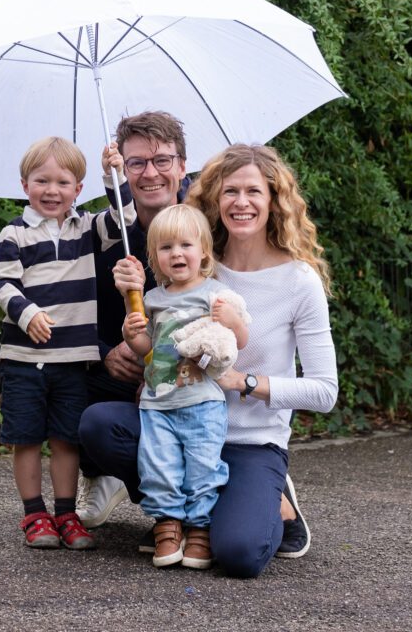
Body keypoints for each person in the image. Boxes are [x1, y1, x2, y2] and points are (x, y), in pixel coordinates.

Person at [82, 143, 338, 578]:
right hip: (179, 419)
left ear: (274, 200)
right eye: (230, 191)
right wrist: (133, 314)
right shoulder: (194, 264)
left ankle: (276, 503)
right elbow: (157, 331)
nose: (241, 203)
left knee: (238, 553)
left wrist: (244, 382)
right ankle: (176, 517)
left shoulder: (299, 281)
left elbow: (324, 391)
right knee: (100, 426)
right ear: (214, 201)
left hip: (249, 441)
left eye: (254, 192)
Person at [0, 136, 135, 551]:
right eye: (42, 181)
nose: (52, 191)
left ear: (78, 189)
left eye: (63, 182)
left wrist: (115, 175)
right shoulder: (13, 234)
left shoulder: (86, 227)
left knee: (67, 438)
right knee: (27, 437)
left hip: (73, 359)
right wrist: (28, 312)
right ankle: (35, 513)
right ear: (24, 185)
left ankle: (67, 513)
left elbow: (124, 219)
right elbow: (2, 282)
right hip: (23, 358)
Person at [76, 111, 191, 530]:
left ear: (182, 165)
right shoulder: (101, 232)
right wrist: (106, 353)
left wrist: (162, 357)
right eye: (136, 163)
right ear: (118, 168)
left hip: (190, 377)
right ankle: (103, 471)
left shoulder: (206, 227)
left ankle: (212, 490)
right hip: (119, 374)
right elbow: (68, 308)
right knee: (56, 381)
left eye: (162, 160)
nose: (150, 173)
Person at [120, 203, 249, 569]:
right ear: (155, 258)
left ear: (203, 251)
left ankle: (199, 529)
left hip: (202, 401)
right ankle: (167, 525)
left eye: (185, 245)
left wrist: (233, 320)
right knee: (158, 466)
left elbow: (239, 341)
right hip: (158, 403)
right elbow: (149, 349)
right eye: (166, 248)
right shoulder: (153, 299)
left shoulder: (215, 294)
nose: (176, 253)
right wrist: (132, 337)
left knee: (203, 466)